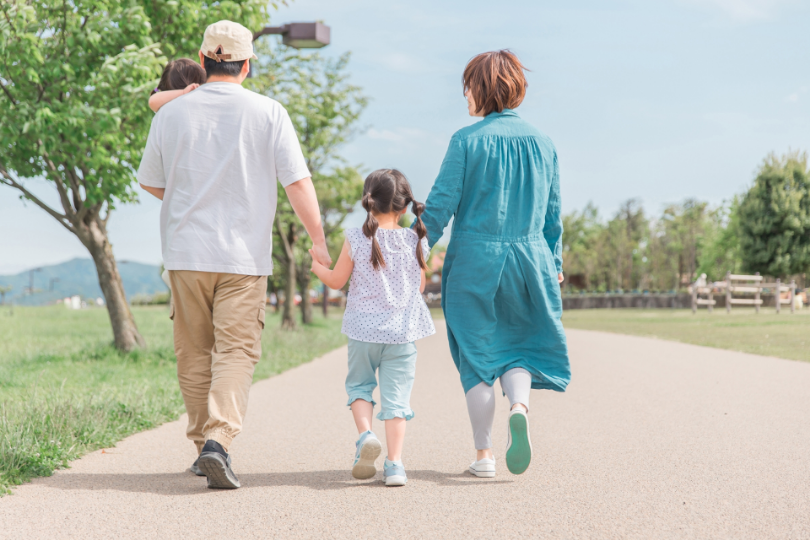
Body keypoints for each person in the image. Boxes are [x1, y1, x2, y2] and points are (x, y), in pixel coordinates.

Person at [137, 20, 332, 490]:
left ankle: (202, 443)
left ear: (204, 63)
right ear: (247, 65)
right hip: (242, 257)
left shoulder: (171, 113)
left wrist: (190, 199)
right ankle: (217, 442)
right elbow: (297, 183)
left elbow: (150, 180)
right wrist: (319, 241)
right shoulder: (269, 112)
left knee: (193, 351)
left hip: (185, 252)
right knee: (237, 350)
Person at [420, 50, 571, 478]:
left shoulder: (466, 140)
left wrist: (413, 251)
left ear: (482, 89)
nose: (464, 94)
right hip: (531, 259)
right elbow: (551, 214)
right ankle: (518, 407)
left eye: (467, 86)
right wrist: (554, 261)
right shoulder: (544, 143)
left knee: (477, 357)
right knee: (518, 346)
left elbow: (439, 208)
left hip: (475, 260)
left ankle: (484, 456)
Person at [309, 169, 435, 487]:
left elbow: (337, 282)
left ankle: (365, 436)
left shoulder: (356, 237)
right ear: (404, 207)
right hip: (402, 334)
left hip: (363, 332)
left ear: (368, 203)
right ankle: (395, 466)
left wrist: (316, 267)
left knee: (360, 388)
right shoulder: (415, 238)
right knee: (397, 401)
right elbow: (419, 286)